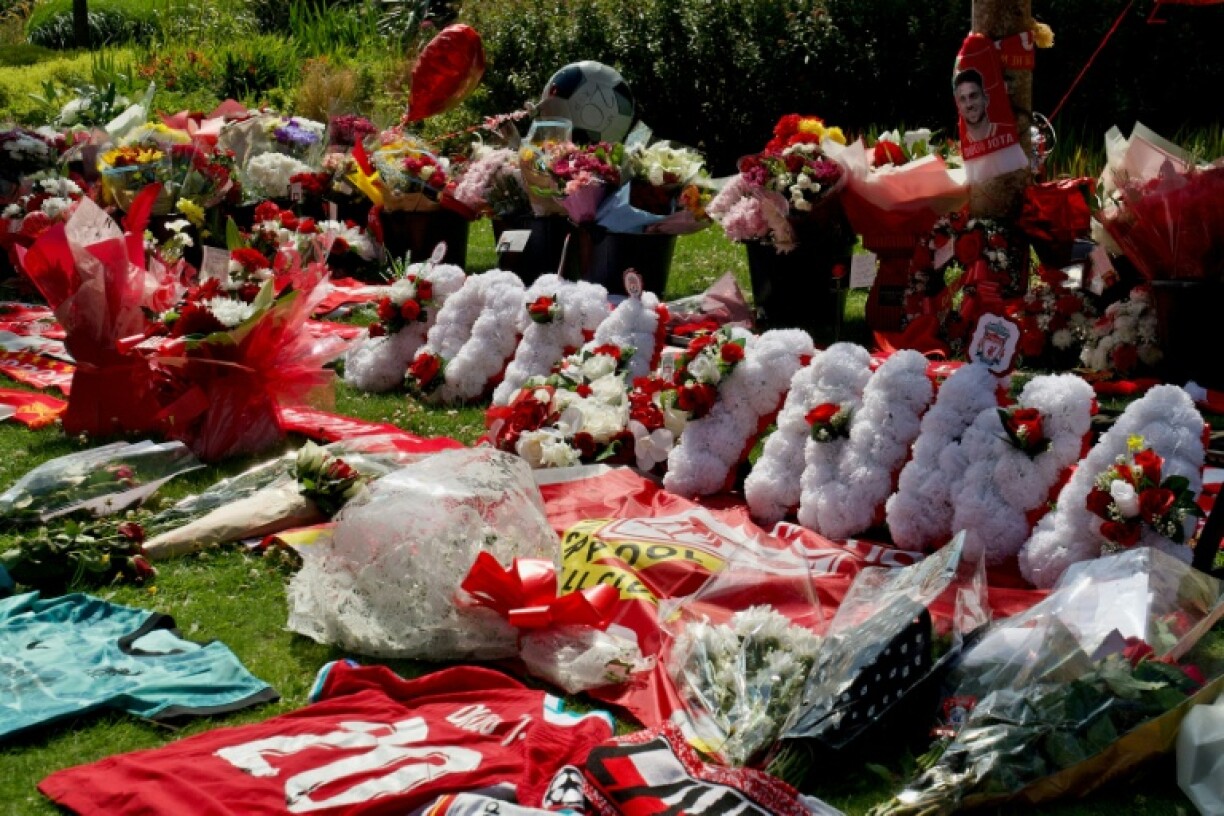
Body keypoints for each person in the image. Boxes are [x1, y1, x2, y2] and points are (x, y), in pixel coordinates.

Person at [954, 69, 997, 142]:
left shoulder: (1007, 134)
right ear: (958, 106)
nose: (969, 105)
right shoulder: (962, 146)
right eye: (963, 99)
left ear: (986, 99)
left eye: (973, 96)